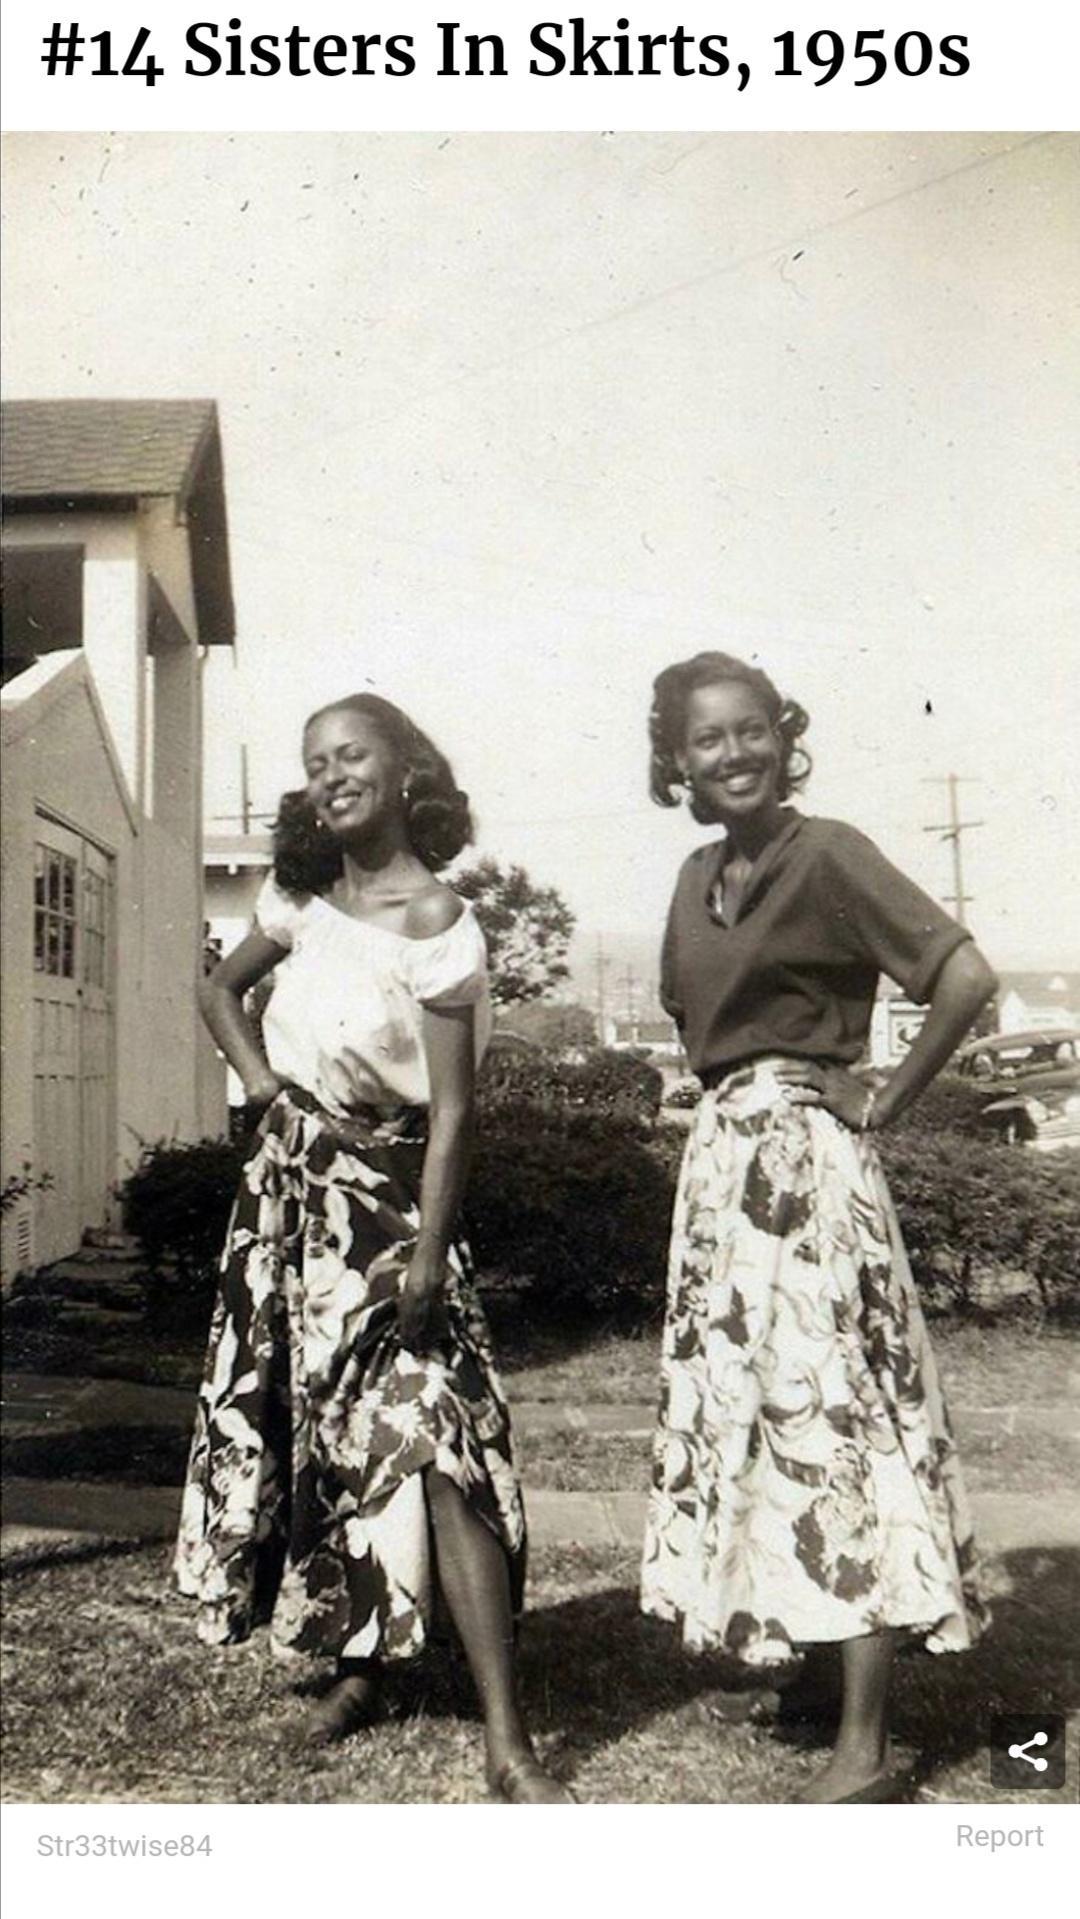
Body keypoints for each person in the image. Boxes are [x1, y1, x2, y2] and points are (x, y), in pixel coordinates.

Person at [176, 692, 571, 1804]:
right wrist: (265, 1091)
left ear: (406, 773)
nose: (331, 774)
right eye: (315, 762)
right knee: (327, 1439)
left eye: (352, 755)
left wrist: (431, 1252)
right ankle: (361, 1667)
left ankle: (506, 1738)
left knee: (435, 1439)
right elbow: (217, 986)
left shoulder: (440, 920)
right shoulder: (298, 895)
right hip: (295, 1209)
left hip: (398, 1211)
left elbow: (453, 1112)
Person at [640, 651, 996, 1804]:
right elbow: (699, 1025)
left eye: (752, 730)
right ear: (677, 761)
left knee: (839, 1419)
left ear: (782, 737)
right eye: (708, 738)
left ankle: (869, 1742)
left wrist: (881, 1096)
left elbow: (966, 975)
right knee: (749, 1420)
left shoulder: (830, 851)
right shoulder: (696, 876)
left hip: (809, 1170)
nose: (733, 753)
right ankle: (803, 1662)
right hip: (722, 1177)